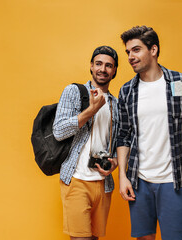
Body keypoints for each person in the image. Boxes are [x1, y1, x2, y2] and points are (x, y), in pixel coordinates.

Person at [116, 25, 182, 240]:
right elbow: (123, 135)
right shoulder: (127, 91)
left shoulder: (181, 83)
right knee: (144, 238)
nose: (130, 57)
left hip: (173, 179)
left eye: (136, 50)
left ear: (153, 50)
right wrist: (123, 176)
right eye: (128, 52)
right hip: (139, 180)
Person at [53, 46, 119, 240]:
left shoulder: (116, 103)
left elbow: (116, 144)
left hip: (103, 184)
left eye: (109, 65)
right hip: (77, 180)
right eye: (98, 64)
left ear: (114, 71)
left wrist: (114, 163)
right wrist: (91, 110)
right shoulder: (74, 92)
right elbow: (58, 131)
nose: (102, 69)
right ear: (91, 66)